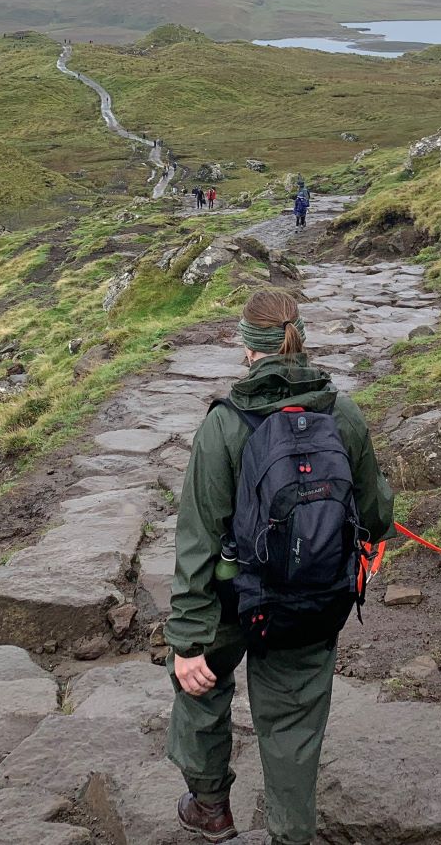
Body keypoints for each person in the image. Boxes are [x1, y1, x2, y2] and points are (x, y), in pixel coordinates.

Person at [166, 289, 394, 845]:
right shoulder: (341, 414)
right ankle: (291, 835)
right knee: (293, 720)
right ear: (300, 338)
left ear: (248, 346)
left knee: (200, 688)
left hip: (230, 598)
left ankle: (211, 808)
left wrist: (187, 640)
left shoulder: (224, 426)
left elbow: (198, 539)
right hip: (310, 598)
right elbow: (375, 514)